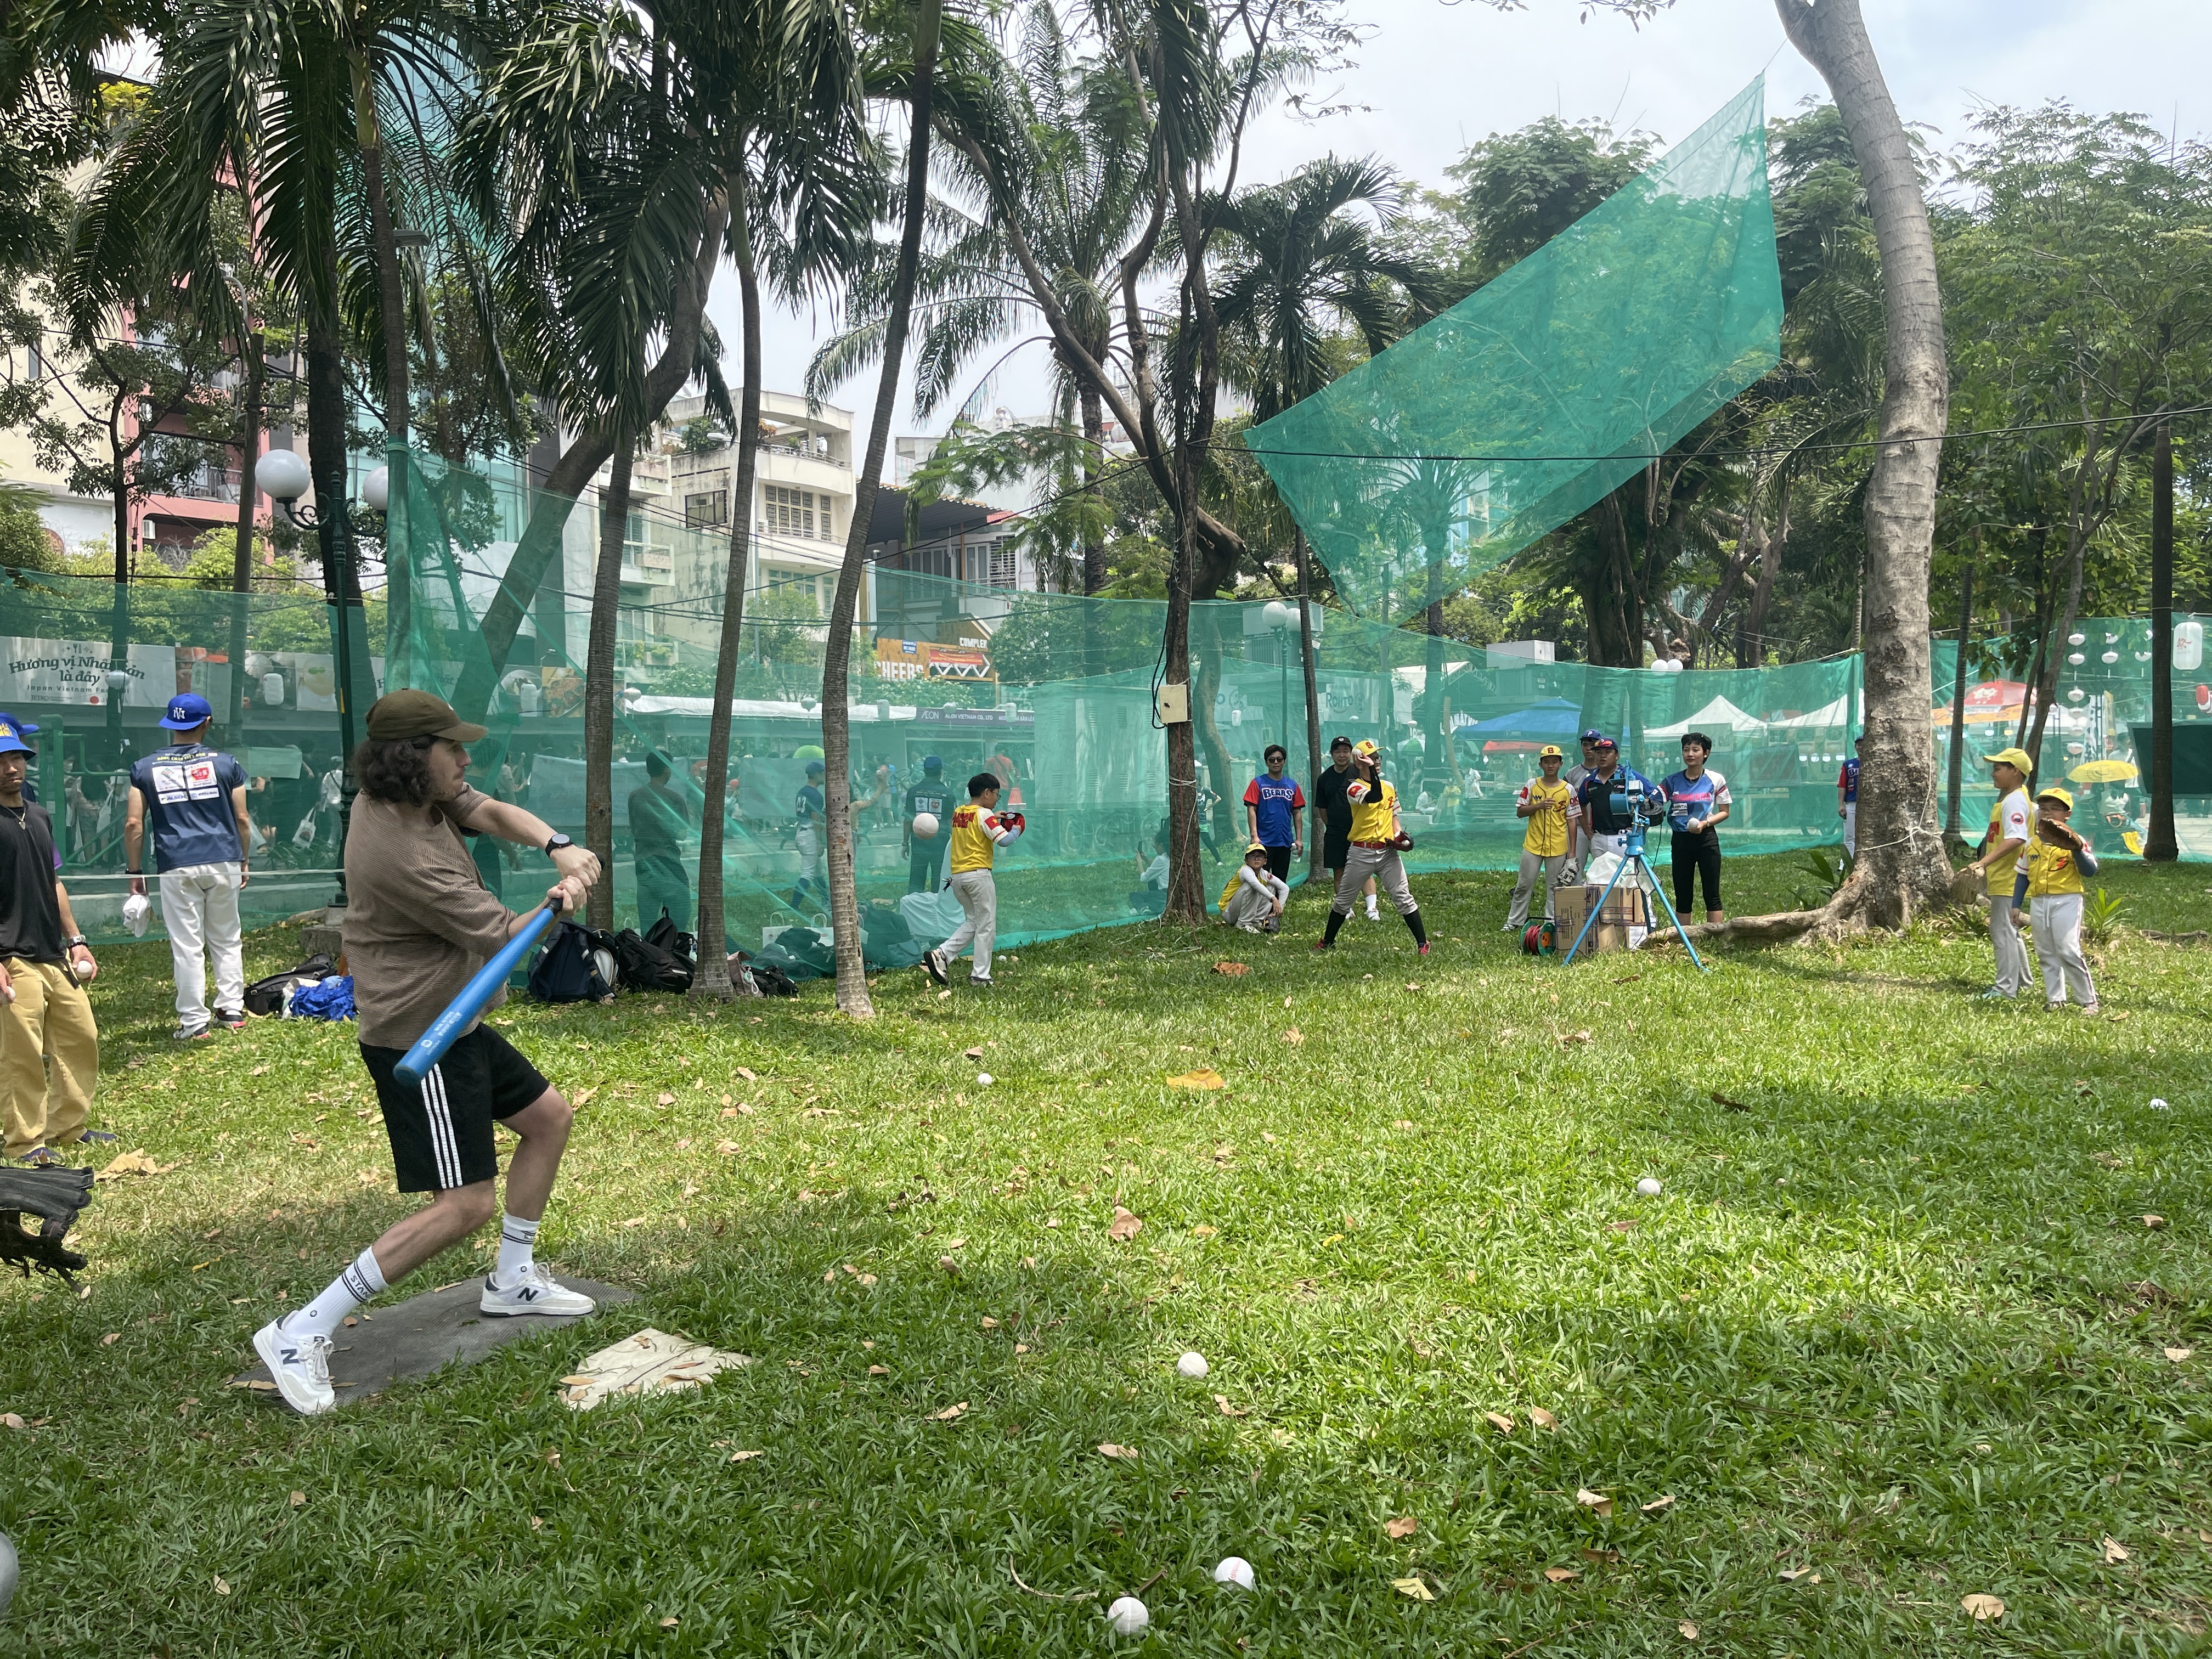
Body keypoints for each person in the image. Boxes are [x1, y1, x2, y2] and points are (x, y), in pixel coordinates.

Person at [251, 690, 602, 1417]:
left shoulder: (418, 799)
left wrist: (557, 843)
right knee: (465, 1204)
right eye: (452, 748)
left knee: (549, 1119)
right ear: (414, 760)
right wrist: (562, 900)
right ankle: (300, 1329)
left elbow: (492, 811)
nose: (466, 759)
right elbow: (507, 941)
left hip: (458, 1023)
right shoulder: (401, 851)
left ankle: (513, 1281)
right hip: (423, 1035)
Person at [0, 715, 109, 1167]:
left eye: (18, 758)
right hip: (10, 955)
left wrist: (76, 940)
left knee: (81, 1036)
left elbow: (54, 883)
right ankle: (25, 1141)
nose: (11, 768)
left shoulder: (39, 815)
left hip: (52, 953)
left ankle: (67, 1126)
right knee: (21, 1053)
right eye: (2, 761)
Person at [123, 693, 252, 1041]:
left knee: (187, 945)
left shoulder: (144, 767)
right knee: (227, 937)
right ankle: (231, 1009)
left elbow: (134, 824)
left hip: (176, 863)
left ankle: (194, 1022)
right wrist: (243, 858)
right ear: (206, 723)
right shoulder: (227, 764)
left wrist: (135, 873)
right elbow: (242, 818)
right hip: (224, 858)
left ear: (170, 724)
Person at [1313, 740, 1428, 955]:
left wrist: (1400, 836)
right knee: (1344, 901)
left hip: (1387, 852)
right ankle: (1328, 941)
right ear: (1359, 761)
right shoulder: (1353, 787)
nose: (1376, 761)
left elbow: (1393, 816)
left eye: (1377, 758)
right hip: (1361, 851)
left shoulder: (1389, 787)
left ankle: (1423, 944)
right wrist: (1369, 770)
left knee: (1403, 897)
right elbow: (1374, 796)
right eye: (1371, 757)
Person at [922, 772, 1023, 989]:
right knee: (986, 926)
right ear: (987, 793)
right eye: (996, 794)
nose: (997, 799)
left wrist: (994, 815)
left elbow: (975, 825)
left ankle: (942, 955)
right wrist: (1016, 829)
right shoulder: (985, 814)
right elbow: (1004, 841)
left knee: (974, 922)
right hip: (979, 876)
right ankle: (980, 977)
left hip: (958, 878)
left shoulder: (959, 812)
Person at [2012, 785, 2100, 1014]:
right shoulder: (2032, 843)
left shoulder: (2075, 840)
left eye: (2054, 809)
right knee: (2046, 952)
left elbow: (2090, 871)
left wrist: (2076, 849)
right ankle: (2056, 999)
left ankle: (2088, 1001)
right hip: (2040, 901)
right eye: (2043, 808)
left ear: (2067, 814)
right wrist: (2016, 905)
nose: (2047, 813)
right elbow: (2023, 876)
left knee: (2068, 950)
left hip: (2067, 899)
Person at [1962, 747, 2035, 1001]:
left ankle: (2005, 989)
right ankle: (2024, 983)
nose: (1993, 773)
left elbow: (2016, 838)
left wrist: (1982, 863)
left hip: (2009, 876)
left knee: (2002, 931)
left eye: (1998, 768)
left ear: (2015, 771)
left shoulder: (2015, 800)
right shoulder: (2012, 798)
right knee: (2009, 931)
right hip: (2006, 876)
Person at [1661, 731, 1730, 926]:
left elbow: (1725, 811)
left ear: (1705, 753)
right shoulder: (1671, 781)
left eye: (1695, 750)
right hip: (1680, 841)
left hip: (1706, 839)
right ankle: (1684, 939)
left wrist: (1705, 824)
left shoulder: (1716, 779)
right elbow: (1655, 801)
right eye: (1686, 750)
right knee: (1683, 894)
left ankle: (1716, 937)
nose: (1690, 754)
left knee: (1712, 893)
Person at [1504, 744, 1573, 932]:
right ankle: (1515, 921)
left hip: (1558, 845)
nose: (1551, 766)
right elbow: (1520, 812)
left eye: (1554, 762)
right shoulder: (1532, 784)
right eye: (1547, 762)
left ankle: (1551, 922)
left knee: (1555, 887)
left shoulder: (1568, 789)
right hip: (1533, 845)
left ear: (1561, 764)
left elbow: (1572, 821)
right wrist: (1539, 806)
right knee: (1524, 884)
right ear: (1541, 764)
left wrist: (1572, 851)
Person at [1311, 736, 1380, 922]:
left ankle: (1372, 909)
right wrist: (1332, 826)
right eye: (1337, 751)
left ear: (1351, 754)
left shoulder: (1359, 771)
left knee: (1365, 870)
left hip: (1361, 831)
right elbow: (1322, 808)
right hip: (1335, 833)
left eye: (1345, 751)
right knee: (1339, 871)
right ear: (1332, 754)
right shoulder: (1324, 778)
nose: (1342, 755)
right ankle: (1346, 909)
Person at [627, 750, 693, 932]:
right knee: (678, 917)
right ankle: (673, 954)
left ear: (648, 770)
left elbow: (634, 829)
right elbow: (681, 834)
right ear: (667, 770)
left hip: (644, 864)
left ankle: (650, 955)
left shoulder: (635, 797)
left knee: (647, 921)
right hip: (669, 863)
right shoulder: (674, 799)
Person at [1574, 735, 1661, 866]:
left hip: (1625, 837)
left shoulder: (1629, 776)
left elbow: (1654, 796)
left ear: (1617, 755)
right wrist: (1586, 827)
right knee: (1601, 880)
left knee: (1627, 879)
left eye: (1608, 752)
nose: (1602, 756)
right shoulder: (1589, 781)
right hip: (1598, 837)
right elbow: (1581, 803)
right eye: (1598, 753)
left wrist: (1643, 826)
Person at [1242, 745, 1305, 884]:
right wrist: (1254, 836)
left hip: (1284, 840)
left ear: (1284, 761)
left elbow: (1297, 812)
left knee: (1280, 881)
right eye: (1272, 760)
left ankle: (1277, 906)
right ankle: (1258, 907)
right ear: (1266, 762)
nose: (1276, 762)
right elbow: (1251, 809)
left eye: (1279, 759)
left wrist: (1299, 839)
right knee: (1257, 880)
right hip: (1263, 841)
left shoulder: (1292, 785)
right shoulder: (1258, 783)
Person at [902, 755, 952, 894]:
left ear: (924, 770)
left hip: (919, 842)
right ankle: (940, 906)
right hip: (941, 843)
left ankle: (914, 907)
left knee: (917, 879)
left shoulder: (913, 791)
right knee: (941, 877)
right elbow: (951, 821)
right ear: (941, 771)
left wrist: (905, 843)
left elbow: (908, 819)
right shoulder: (947, 793)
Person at [1220, 841, 1288, 933]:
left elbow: (1284, 888)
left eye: (1260, 856)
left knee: (1271, 887)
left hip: (1239, 909)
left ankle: (1257, 921)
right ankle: (1243, 923)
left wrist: (1279, 909)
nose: (1257, 859)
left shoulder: (1263, 873)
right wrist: (1274, 899)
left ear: (1265, 861)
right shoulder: (1245, 870)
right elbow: (1255, 884)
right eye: (1253, 856)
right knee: (1251, 886)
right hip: (1229, 912)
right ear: (1246, 860)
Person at [790, 759, 827, 911]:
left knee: (818, 872)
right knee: (808, 873)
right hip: (810, 834)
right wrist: (820, 842)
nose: (825, 777)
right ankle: (794, 906)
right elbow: (816, 820)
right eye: (824, 774)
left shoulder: (802, 791)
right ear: (817, 774)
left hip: (801, 832)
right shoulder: (816, 795)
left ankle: (827, 900)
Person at [1837, 735, 1863, 857]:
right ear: (1856, 747)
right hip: (1852, 803)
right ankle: (1846, 863)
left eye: (1864, 744)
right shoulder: (1848, 765)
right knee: (1849, 835)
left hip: (1870, 805)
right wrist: (1841, 805)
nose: (1861, 747)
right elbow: (1842, 785)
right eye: (1859, 745)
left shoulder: (1876, 765)